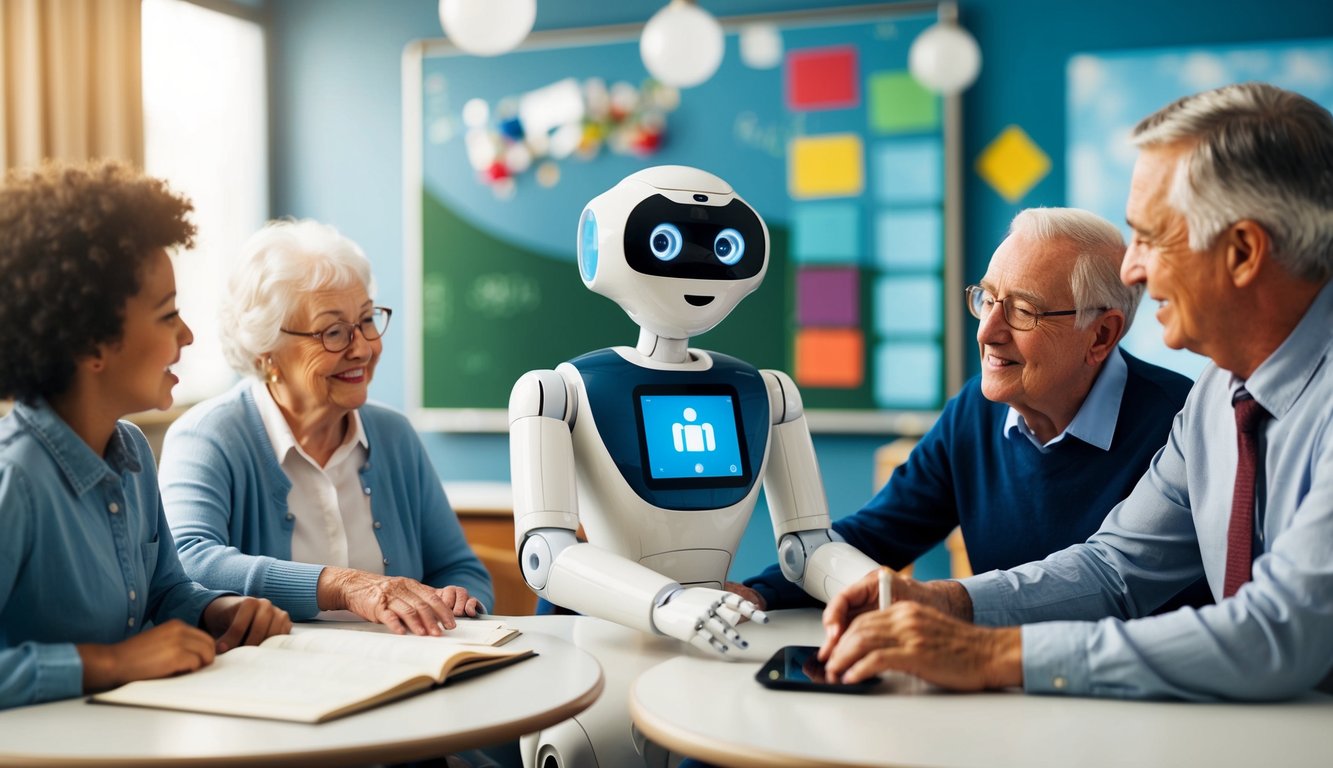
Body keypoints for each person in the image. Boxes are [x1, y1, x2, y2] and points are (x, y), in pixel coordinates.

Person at [819, 82, 1333, 701]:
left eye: (1149, 236)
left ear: (1243, 251)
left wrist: (997, 654)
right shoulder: (1216, 399)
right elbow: (1115, 569)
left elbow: (1277, 633)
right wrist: (947, 601)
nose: (1132, 269)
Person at [735, 207, 1199, 612]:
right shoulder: (975, 410)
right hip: (999, 686)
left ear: (1100, 335)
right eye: (987, 298)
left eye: (1022, 311)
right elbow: (880, 534)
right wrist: (759, 593)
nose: (988, 331)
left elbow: (1118, 586)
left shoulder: (1180, 424)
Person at [0, 161, 291, 711]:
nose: (186, 334)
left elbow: (163, 592)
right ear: (90, 345)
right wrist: (111, 663)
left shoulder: (131, 449)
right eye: (167, 316)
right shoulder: (15, 478)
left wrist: (218, 609)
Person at [159, 219, 493, 635]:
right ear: (267, 354)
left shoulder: (394, 436)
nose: (363, 348)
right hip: (280, 682)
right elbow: (190, 560)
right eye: (334, 332)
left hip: (405, 672)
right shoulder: (208, 437)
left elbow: (458, 567)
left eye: (368, 320)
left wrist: (455, 598)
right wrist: (344, 586)